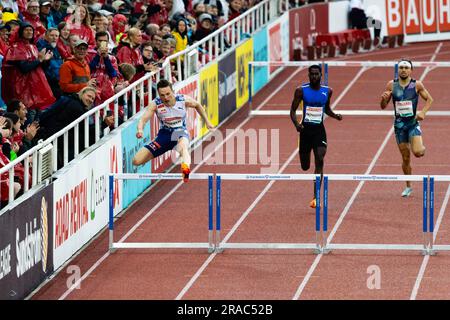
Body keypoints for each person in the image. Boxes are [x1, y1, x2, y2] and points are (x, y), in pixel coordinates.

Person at [133, 79, 214, 182]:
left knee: (183, 147)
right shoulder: (155, 104)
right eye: (162, 95)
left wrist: (207, 121)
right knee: (136, 161)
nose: (166, 98)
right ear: (159, 94)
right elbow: (143, 119)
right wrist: (140, 130)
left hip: (180, 132)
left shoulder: (183, 100)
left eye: (168, 94)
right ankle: (154, 153)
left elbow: (197, 105)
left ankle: (185, 171)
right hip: (164, 136)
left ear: (173, 91)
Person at [290, 65, 342, 208]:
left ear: (321, 75)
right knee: (305, 166)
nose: (314, 77)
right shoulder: (301, 91)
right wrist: (296, 125)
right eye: (311, 74)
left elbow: (326, 109)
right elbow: (292, 111)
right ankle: (310, 168)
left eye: (316, 74)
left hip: (319, 131)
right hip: (305, 131)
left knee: (319, 158)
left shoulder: (327, 91)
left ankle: (315, 197)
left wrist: (335, 116)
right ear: (308, 75)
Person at [380, 59, 433, 197]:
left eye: (406, 67)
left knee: (418, 153)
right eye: (401, 67)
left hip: (412, 123)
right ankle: (408, 186)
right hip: (399, 127)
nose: (403, 69)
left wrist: (423, 112)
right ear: (398, 69)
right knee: (405, 158)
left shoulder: (417, 85)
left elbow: (430, 99)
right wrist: (383, 99)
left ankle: (421, 146)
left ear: (411, 70)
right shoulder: (391, 85)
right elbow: (383, 106)